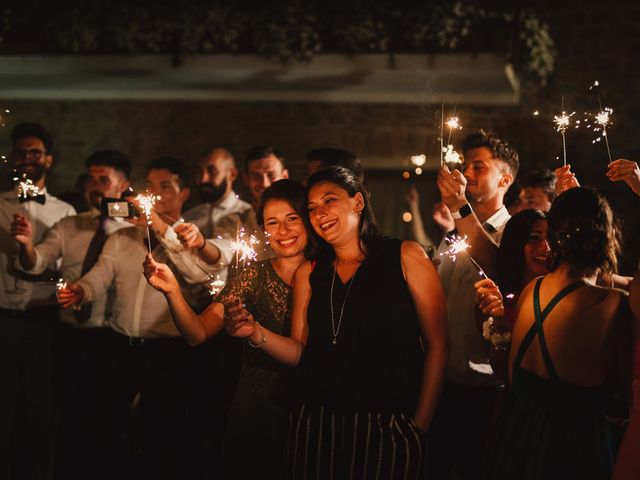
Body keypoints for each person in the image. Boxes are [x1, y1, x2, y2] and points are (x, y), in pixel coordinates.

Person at [226, 166, 449, 478]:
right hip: (317, 422)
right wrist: (255, 332)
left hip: (387, 422)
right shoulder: (311, 272)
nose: (320, 214)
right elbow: (300, 352)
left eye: (330, 201)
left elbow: (439, 345)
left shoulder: (405, 256)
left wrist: (418, 426)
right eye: (313, 208)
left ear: (357, 202)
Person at [144, 179, 314, 477]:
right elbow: (196, 333)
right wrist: (171, 291)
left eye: (292, 219)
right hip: (256, 410)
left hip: (313, 408)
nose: (283, 231)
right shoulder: (250, 275)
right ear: (262, 229)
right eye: (272, 222)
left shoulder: (329, 273)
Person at [57, 156, 207, 479]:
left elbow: (198, 275)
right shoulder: (121, 237)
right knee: (105, 433)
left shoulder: (194, 241)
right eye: (150, 186)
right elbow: (100, 275)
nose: (154, 193)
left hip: (167, 352)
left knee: (158, 438)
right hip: (118, 346)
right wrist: (81, 291)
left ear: (184, 194)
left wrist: (159, 227)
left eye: (165, 186)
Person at [486, 187, 630, 479]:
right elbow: (631, 390)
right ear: (607, 235)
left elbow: (512, 377)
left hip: (517, 443)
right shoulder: (612, 304)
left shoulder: (531, 290)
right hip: (574, 449)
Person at [12, 149, 133, 479]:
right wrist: (25, 245)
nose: (94, 185)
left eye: (103, 179)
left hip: (116, 343)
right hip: (72, 340)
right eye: (91, 178)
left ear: (122, 185)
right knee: (68, 421)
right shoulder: (69, 225)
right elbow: (38, 260)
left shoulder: (135, 231)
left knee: (110, 426)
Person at [431, 129, 519, 479]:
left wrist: (459, 208)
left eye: (479, 166)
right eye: (466, 165)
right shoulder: (453, 232)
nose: (467, 173)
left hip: (484, 389)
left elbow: (498, 267)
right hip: (442, 383)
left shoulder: (513, 236)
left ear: (505, 178)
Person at [0, 122, 76, 480]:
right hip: (2, 320)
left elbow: (68, 267)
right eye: (21, 152)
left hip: (44, 323)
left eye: (35, 152)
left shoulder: (65, 213)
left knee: (39, 410)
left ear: (49, 158)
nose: (27, 158)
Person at [474, 209, 550, 380]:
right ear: (516, 243)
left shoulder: (567, 294)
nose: (546, 248)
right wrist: (500, 323)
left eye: (552, 239)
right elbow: (502, 373)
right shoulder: (494, 300)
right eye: (534, 238)